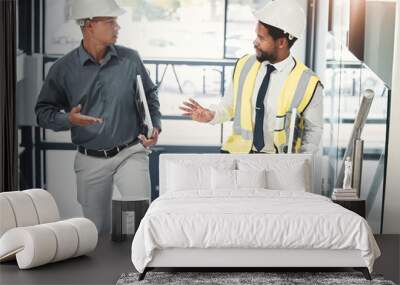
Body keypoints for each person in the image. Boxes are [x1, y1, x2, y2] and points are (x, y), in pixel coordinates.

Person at [35, 0, 161, 234]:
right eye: (111, 21)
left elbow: (150, 95)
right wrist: (69, 120)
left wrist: (155, 126)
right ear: (89, 25)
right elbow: (43, 113)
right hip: (90, 159)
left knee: (138, 219)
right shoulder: (63, 69)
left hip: (130, 152)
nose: (117, 27)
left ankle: (134, 269)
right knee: (97, 230)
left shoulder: (130, 59)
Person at [180, 0, 323, 154]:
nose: (255, 42)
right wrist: (212, 115)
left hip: (279, 166)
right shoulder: (244, 65)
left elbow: (312, 133)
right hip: (239, 158)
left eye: (261, 38)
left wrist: (299, 167)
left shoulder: (308, 83)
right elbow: (228, 107)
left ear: (281, 42)